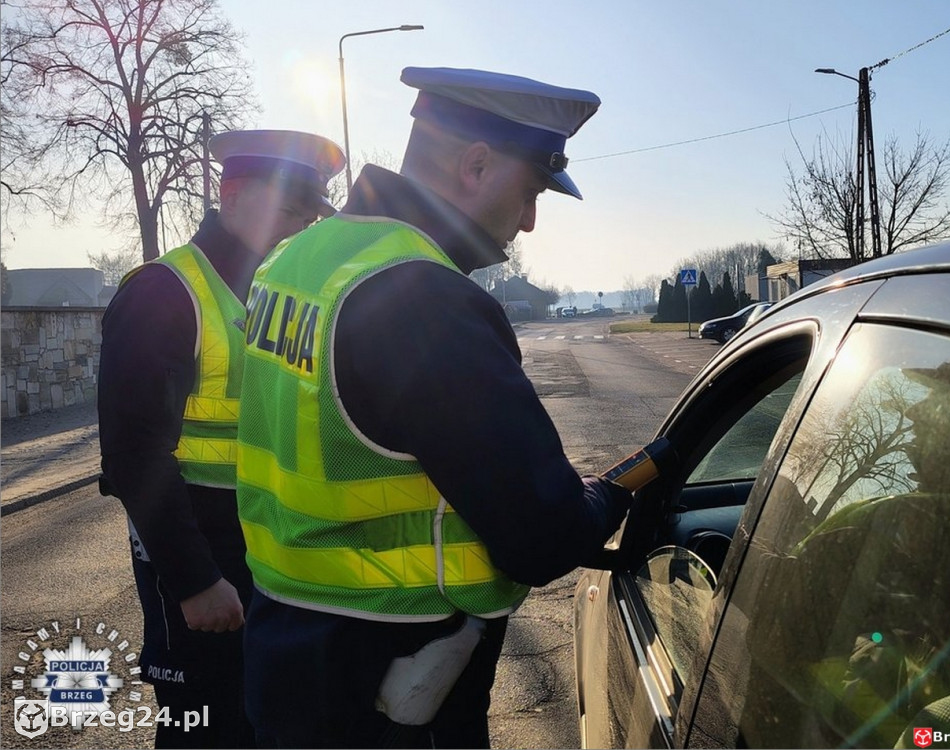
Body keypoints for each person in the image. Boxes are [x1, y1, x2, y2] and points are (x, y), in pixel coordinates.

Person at [235, 67, 633, 749]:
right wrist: (609, 496)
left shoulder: (295, 258)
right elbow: (541, 535)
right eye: (533, 190)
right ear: (476, 165)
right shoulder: (423, 298)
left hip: (287, 653)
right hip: (389, 691)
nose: (531, 222)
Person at [97, 129, 345, 748]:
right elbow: (133, 455)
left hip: (269, 557)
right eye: (288, 208)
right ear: (230, 194)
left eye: (309, 214)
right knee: (201, 728)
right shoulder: (164, 291)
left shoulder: (279, 292)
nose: (299, 226)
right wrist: (193, 580)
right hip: (203, 559)